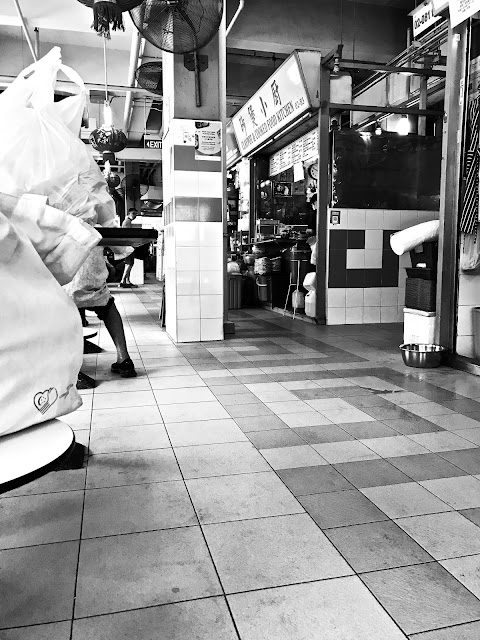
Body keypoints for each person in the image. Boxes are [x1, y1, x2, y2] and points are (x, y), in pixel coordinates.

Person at [119, 207, 138, 288]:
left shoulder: (127, 221)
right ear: (129, 213)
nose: (135, 215)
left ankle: (127, 280)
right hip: (128, 245)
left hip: (127, 245)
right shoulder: (127, 222)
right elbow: (128, 235)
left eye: (136, 214)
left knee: (129, 263)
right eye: (133, 213)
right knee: (129, 263)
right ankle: (123, 280)